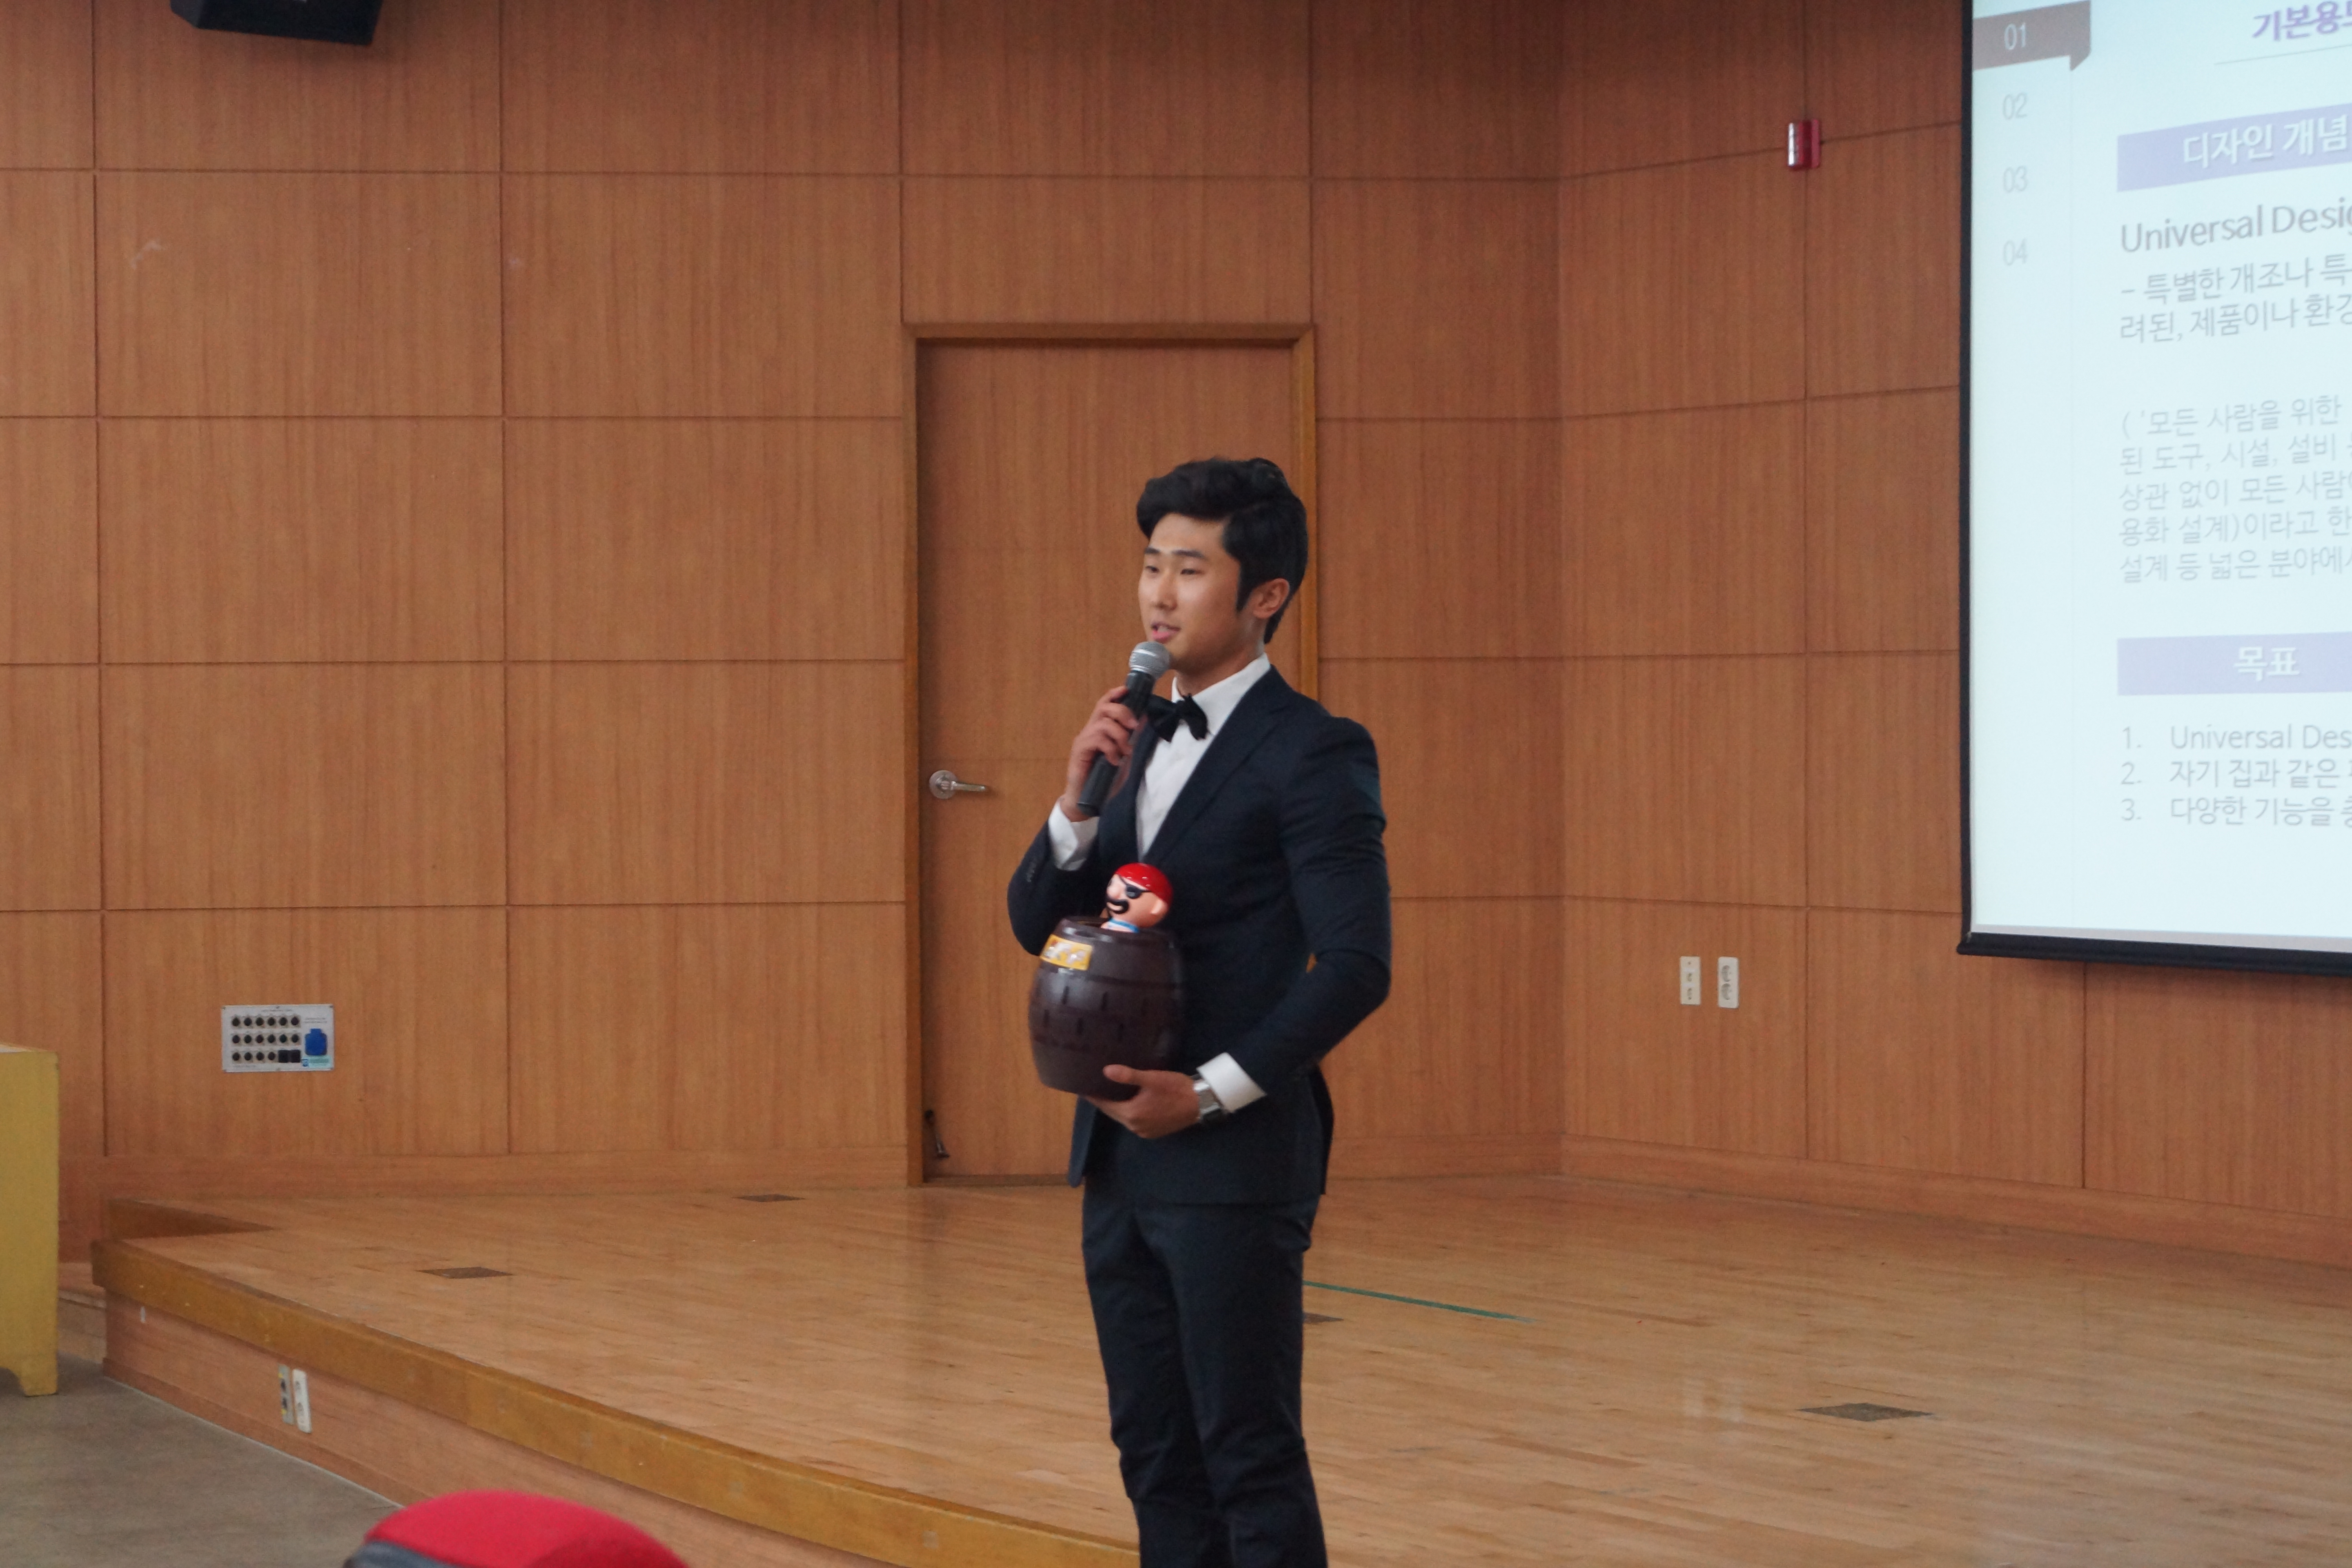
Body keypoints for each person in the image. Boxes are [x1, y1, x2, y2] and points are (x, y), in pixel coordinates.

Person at [1005, 456, 1392, 1568]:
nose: (1159, 596)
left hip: (1232, 1157)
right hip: (1118, 1157)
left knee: (1246, 1454)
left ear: (1264, 594)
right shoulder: (1131, 737)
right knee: (1153, 1451)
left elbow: (1356, 965)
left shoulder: (1313, 749)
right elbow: (1039, 924)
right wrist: (1076, 807)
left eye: (1189, 569)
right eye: (1150, 568)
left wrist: (1212, 1094)